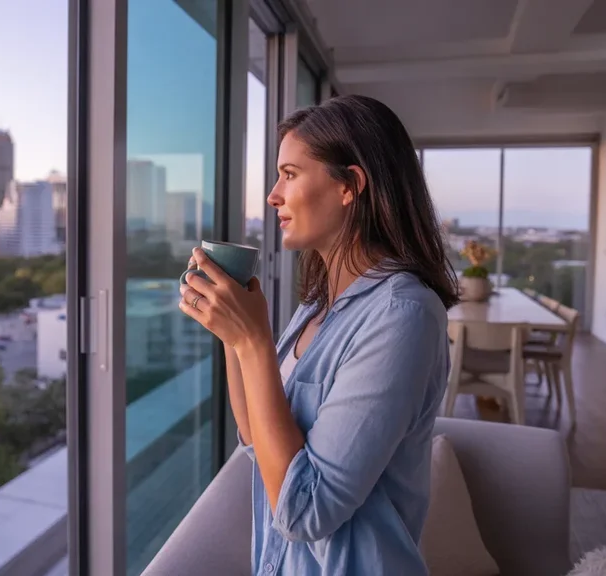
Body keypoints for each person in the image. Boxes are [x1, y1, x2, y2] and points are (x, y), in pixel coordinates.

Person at [178, 94, 459, 575]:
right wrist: (232, 332)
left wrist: (254, 342)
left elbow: (305, 511)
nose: (273, 195)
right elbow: (256, 439)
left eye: (289, 174)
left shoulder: (403, 316)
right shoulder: (317, 304)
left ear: (350, 186)